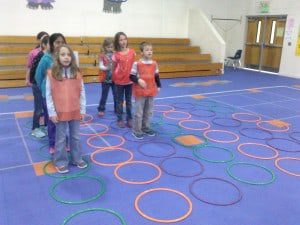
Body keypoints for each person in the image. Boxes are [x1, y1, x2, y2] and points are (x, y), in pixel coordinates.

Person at [46, 44, 87, 174]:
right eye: (63, 54)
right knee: (61, 138)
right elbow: (48, 94)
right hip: (60, 112)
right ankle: (60, 161)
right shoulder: (52, 74)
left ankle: (76, 158)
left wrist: (83, 109)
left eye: (69, 55)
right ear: (57, 57)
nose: (66, 57)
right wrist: (52, 112)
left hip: (75, 111)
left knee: (75, 137)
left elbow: (82, 92)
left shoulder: (77, 73)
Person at [35, 33, 66, 154]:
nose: (60, 45)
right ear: (52, 44)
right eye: (57, 42)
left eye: (62, 42)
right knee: (52, 120)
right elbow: (38, 76)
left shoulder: (64, 56)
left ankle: (63, 141)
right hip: (49, 96)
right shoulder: (46, 58)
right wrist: (45, 88)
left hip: (63, 94)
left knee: (63, 120)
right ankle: (53, 144)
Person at [130, 42, 161, 139]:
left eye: (151, 50)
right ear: (142, 52)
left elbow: (156, 75)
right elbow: (131, 76)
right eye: (147, 50)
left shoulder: (154, 63)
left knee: (148, 111)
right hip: (140, 92)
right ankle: (137, 130)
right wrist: (138, 80)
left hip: (151, 91)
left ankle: (146, 127)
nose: (150, 51)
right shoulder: (137, 64)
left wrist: (159, 85)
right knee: (139, 113)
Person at [25, 31, 49, 138]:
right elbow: (33, 70)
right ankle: (35, 128)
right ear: (43, 44)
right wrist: (34, 82)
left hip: (45, 85)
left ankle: (45, 126)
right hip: (38, 85)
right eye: (50, 43)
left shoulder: (49, 56)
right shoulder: (40, 55)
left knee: (46, 107)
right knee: (39, 108)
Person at [112, 32, 136, 128]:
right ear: (117, 42)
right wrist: (115, 78)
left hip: (129, 81)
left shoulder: (132, 52)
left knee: (129, 101)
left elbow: (134, 66)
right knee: (119, 101)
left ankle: (129, 118)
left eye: (124, 39)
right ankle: (120, 119)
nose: (123, 41)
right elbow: (113, 68)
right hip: (119, 82)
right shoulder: (116, 55)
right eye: (121, 40)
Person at [97, 38, 117, 116]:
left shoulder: (115, 55)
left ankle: (117, 108)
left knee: (116, 95)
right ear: (105, 47)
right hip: (105, 79)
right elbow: (100, 66)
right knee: (104, 95)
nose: (110, 49)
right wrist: (106, 68)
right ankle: (101, 109)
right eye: (108, 47)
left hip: (114, 79)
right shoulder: (102, 55)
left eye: (112, 47)